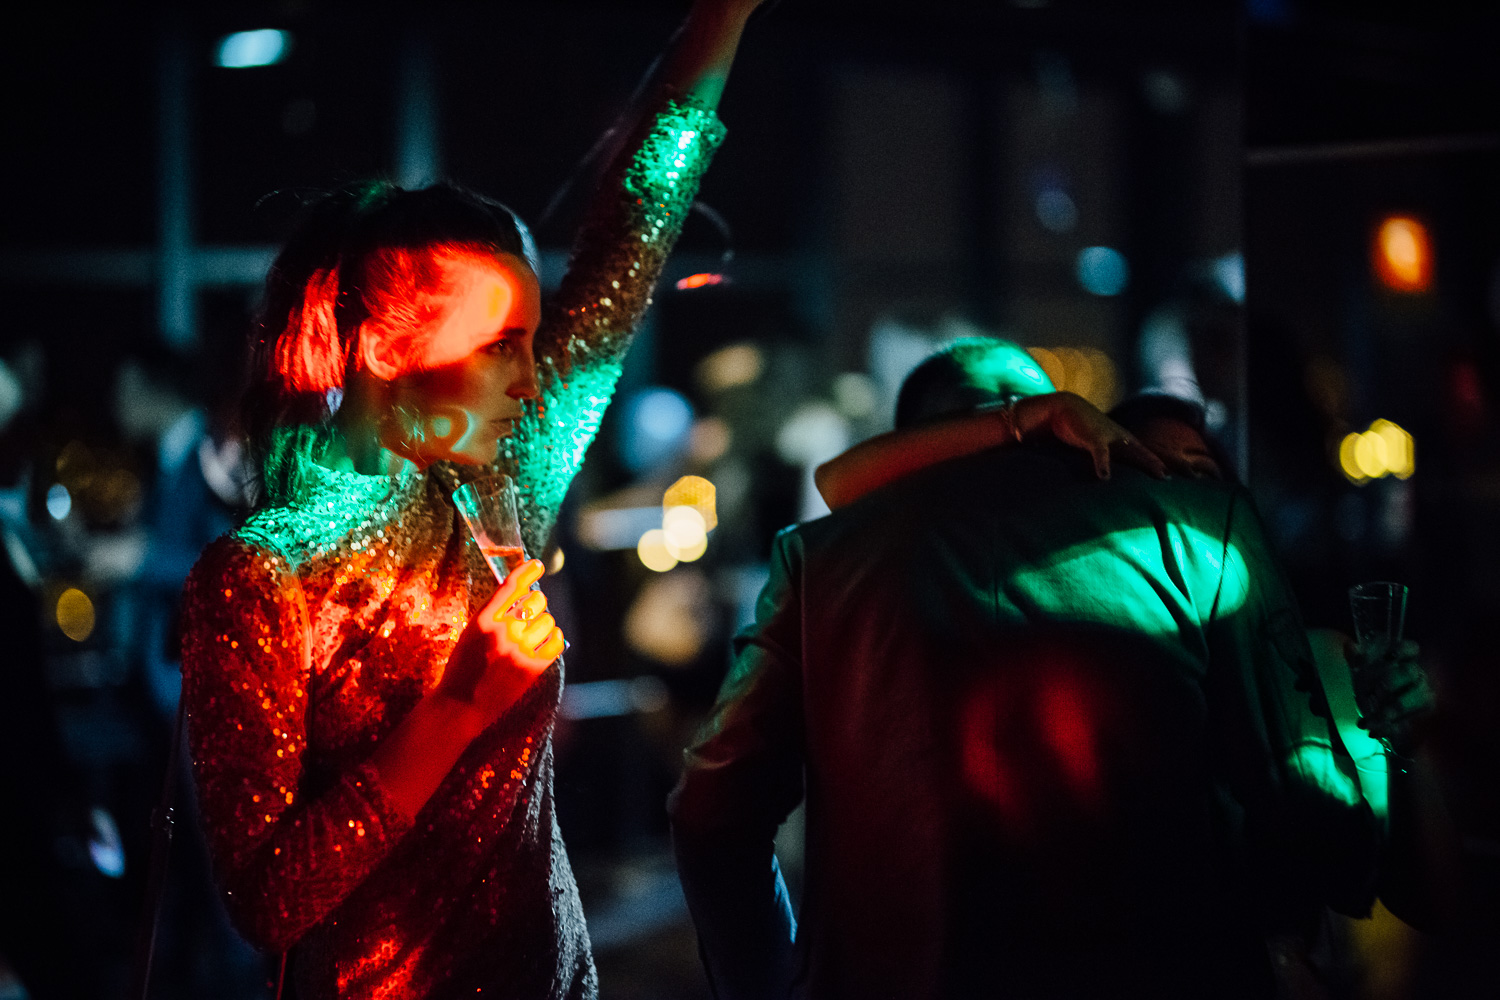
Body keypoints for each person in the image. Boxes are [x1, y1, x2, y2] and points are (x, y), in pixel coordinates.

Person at [179, 4, 764, 997]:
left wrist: (726, 16)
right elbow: (264, 900)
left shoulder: (498, 493)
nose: (536, 384)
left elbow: (634, 231)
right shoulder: (263, 576)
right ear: (381, 349)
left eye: (536, 344)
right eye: (503, 347)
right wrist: (455, 709)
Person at [668, 340, 1430, 999]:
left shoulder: (821, 561)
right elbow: (1318, 816)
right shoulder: (1198, 525)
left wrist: (770, 987)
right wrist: (1382, 736)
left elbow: (711, 812)